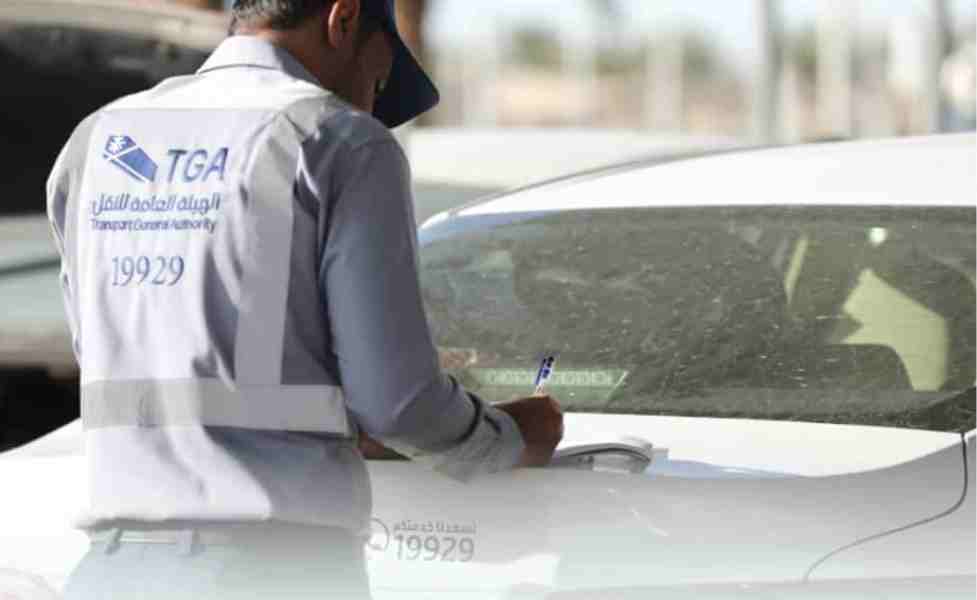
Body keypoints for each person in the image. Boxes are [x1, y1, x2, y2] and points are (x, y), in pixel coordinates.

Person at [45, 1, 564, 598]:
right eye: (380, 80)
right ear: (343, 20)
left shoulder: (99, 138)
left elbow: (128, 359)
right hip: (270, 568)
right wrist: (507, 437)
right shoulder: (338, 139)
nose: (372, 102)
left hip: (112, 569)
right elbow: (397, 406)